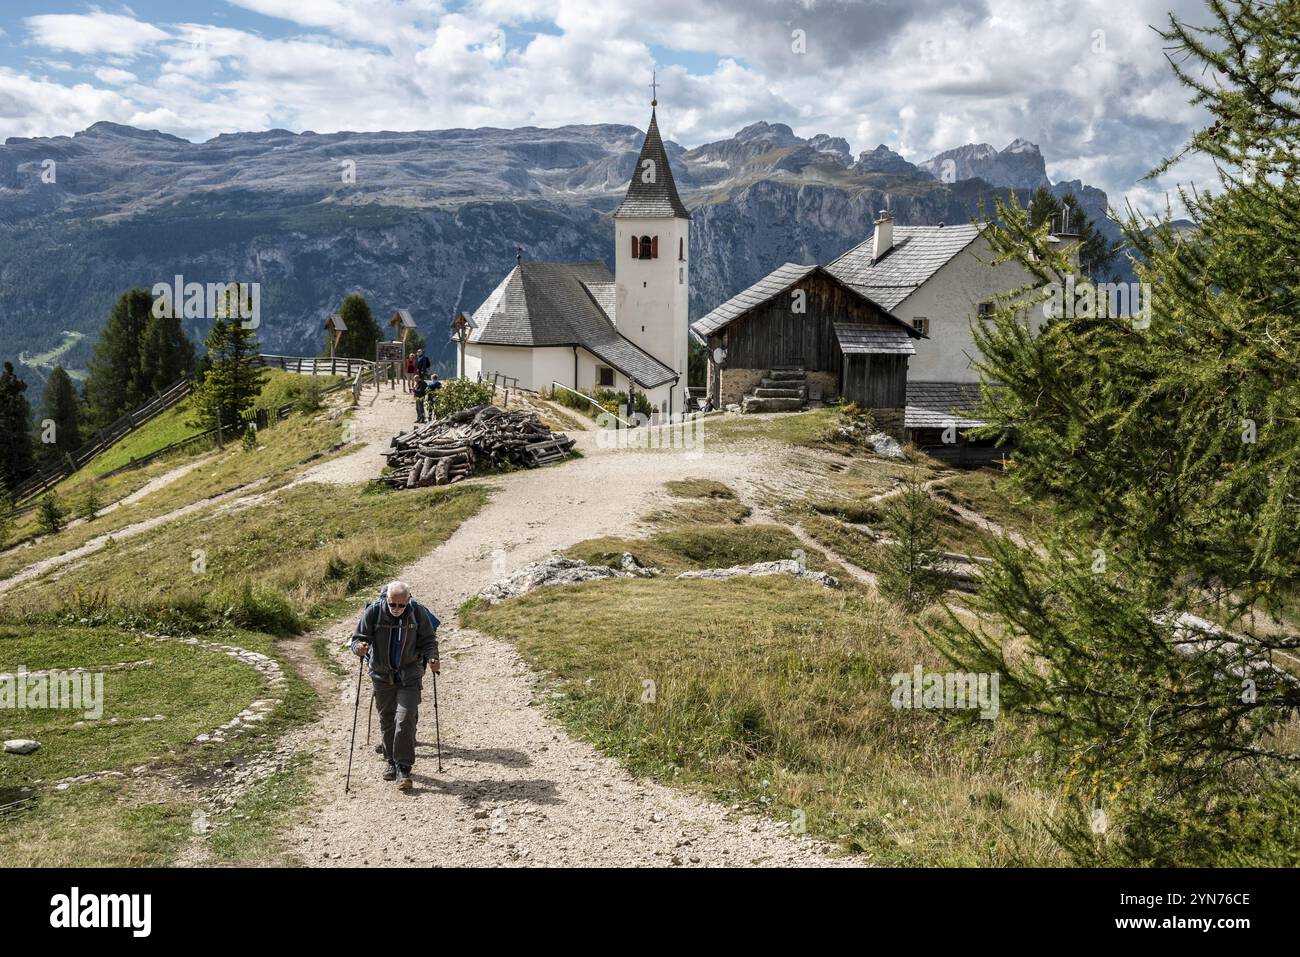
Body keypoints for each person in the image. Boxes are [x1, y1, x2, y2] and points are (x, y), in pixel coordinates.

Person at [350, 581, 441, 790]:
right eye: (393, 605)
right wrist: (359, 648)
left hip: (410, 675)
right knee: (387, 719)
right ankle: (390, 762)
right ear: (386, 600)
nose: (397, 609)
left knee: (405, 717)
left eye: (401, 605)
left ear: (408, 600)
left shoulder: (417, 613)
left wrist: (433, 658)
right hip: (382, 676)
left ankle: (403, 768)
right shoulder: (374, 612)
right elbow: (357, 639)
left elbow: (429, 640)